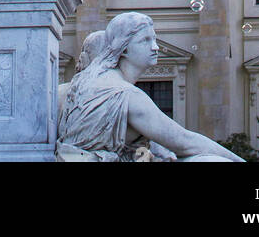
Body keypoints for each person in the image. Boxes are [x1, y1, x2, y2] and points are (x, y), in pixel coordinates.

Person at [57, 13, 243, 163]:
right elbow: (185, 142)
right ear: (124, 49)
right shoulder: (126, 95)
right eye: (145, 40)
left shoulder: (78, 85)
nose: (155, 47)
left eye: (154, 39)